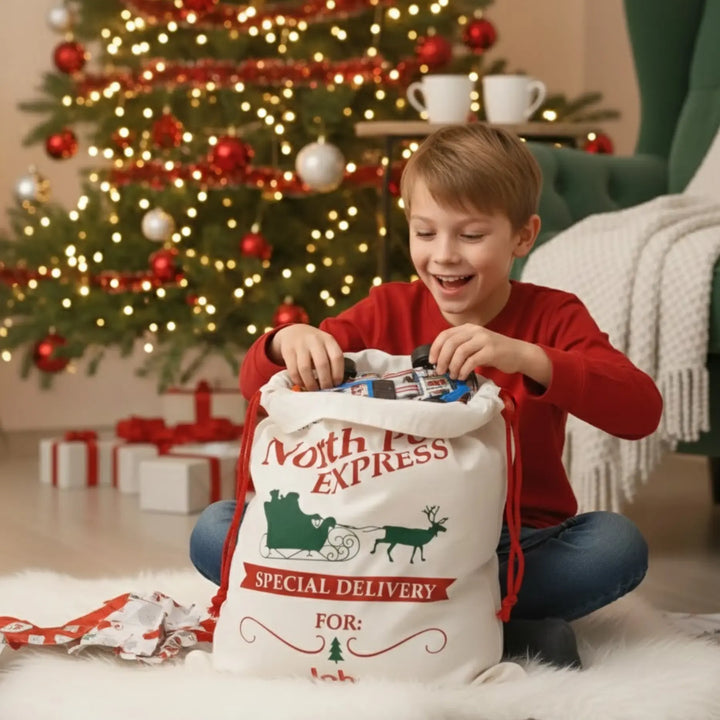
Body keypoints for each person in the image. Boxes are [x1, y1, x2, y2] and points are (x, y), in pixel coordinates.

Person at [190, 123, 663, 669]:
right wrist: (284, 342)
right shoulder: (385, 308)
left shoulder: (553, 315)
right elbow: (257, 387)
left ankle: (453, 621)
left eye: (471, 235)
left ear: (522, 237)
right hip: (370, 541)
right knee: (215, 528)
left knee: (614, 547)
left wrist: (526, 357)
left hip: (509, 544)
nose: (444, 256)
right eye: (425, 232)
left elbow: (640, 410)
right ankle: (501, 630)